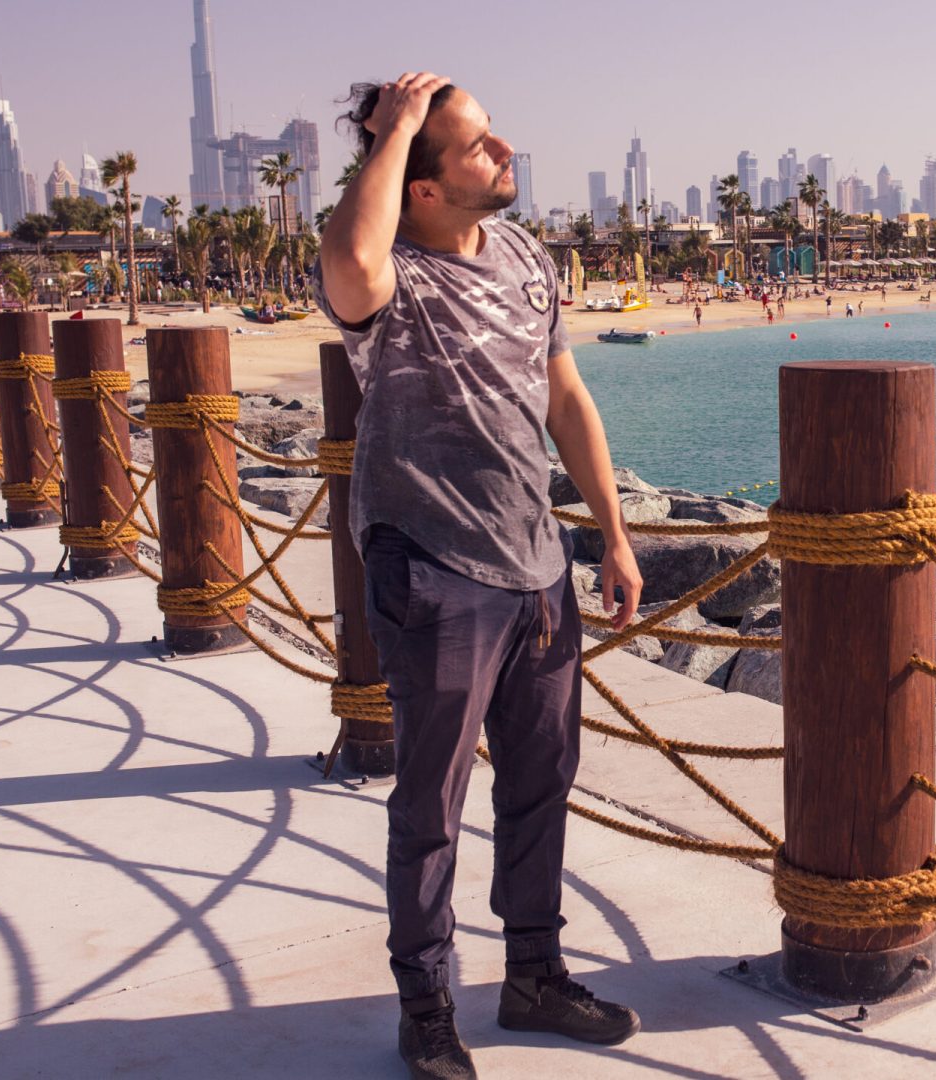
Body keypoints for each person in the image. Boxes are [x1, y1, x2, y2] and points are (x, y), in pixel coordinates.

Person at [316, 72, 643, 1080]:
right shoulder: (390, 280)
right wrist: (401, 125)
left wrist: (613, 536)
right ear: (420, 183)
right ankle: (426, 1007)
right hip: (434, 572)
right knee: (431, 806)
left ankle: (535, 977)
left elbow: (566, 398)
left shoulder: (523, 255)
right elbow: (349, 255)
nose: (503, 153)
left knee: (543, 787)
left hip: (538, 567)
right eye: (475, 146)